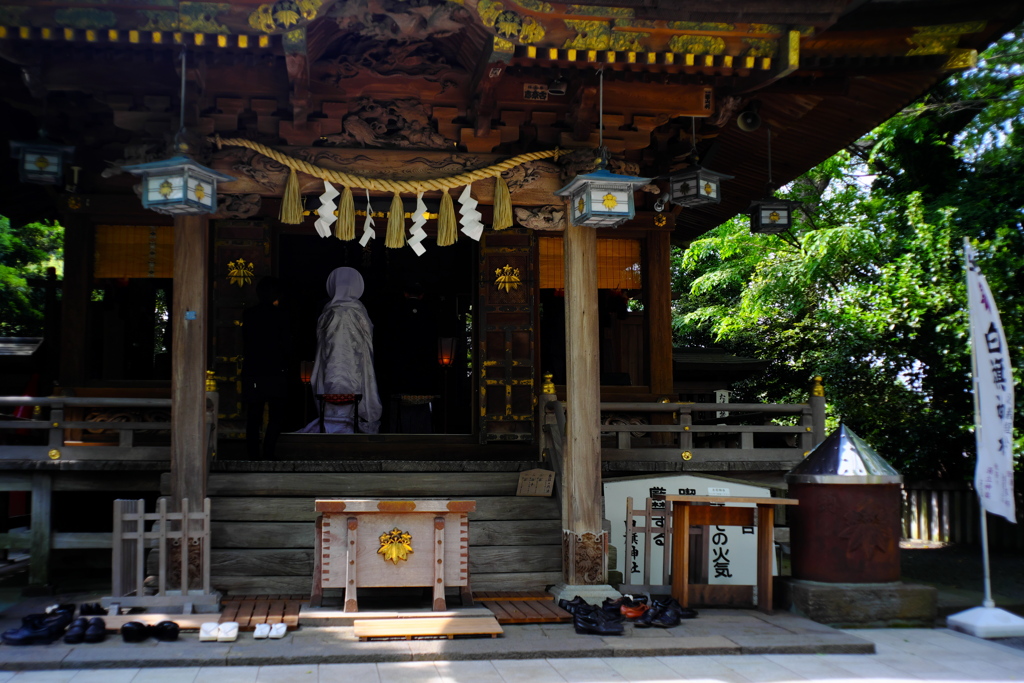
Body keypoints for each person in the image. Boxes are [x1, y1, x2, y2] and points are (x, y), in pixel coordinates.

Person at [298, 267, 382, 434]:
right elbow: (369, 337)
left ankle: (332, 419)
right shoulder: (358, 310)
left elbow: (320, 340)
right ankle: (347, 420)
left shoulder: (328, 311)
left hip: (332, 363)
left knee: (331, 383)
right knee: (354, 385)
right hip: (355, 364)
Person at [241, 276, 291, 458]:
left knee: (254, 415)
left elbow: (246, 343)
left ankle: (253, 454)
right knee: (276, 415)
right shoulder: (282, 315)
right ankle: (268, 450)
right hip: (275, 372)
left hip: (254, 371)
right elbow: (287, 345)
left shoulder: (249, 314)